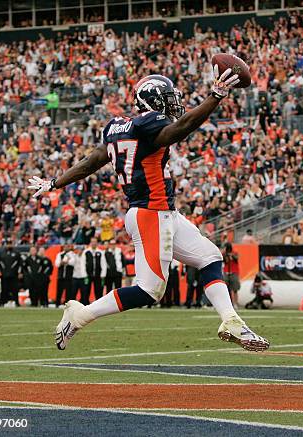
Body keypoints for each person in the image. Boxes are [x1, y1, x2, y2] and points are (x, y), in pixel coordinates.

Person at [28, 68, 268, 351]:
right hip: (151, 213)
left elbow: (91, 162)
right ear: (152, 100)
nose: (172, 103)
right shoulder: (147, 124)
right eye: (167, 98)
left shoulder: (118, 127)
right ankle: (81, 315)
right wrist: (215, 97)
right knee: (149, 290)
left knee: (209, 257)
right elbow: (179, 129)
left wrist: (55, 182)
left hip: (161, 212)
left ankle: (231, 320)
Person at [0, 242, 23, 307]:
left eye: (10, 243)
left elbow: (20, 264)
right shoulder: (1, 253)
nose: (9, 245)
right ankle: (2, 302)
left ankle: (16, 302)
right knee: (4, 289)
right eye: (8, 244)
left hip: (14, 274)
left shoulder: (17, 253)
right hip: (4, 274)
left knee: (15, 289)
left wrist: (19, 272)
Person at [222, 243, 240, 308]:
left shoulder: (235, 252)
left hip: (234, 272)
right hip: (226, 272)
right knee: (224, 289)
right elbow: (223, 260)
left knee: (235, 289)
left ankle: (235, 303)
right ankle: (226, 303)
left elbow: (237, 258)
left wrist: (231, 255)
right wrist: (225, 255)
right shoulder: (224, 253)